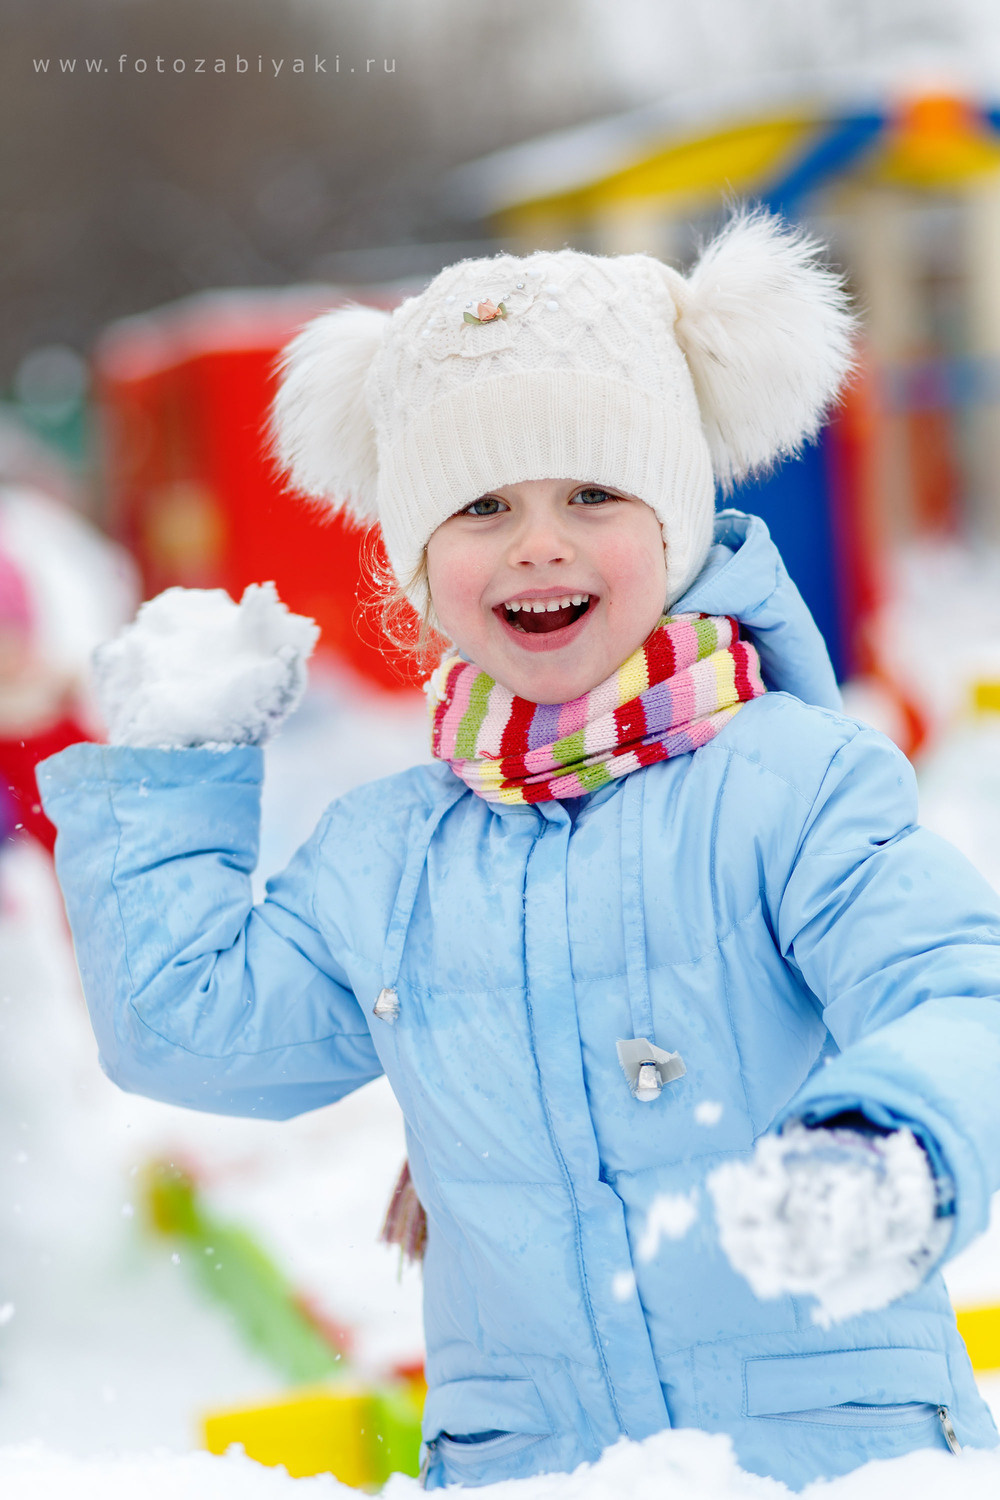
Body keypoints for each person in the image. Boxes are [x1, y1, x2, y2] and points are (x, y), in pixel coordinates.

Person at [37, 211, 1000, 1489]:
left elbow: (952, 985)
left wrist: (890, 1146)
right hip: (533, 1464)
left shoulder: (789, 786)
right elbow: (190, 1026)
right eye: (482, 504)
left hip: (829, 1454)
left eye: (592, 494)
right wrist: (174, 766)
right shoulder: (391, 858)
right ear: (418, 565)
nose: (538, 541)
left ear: (673, 528)